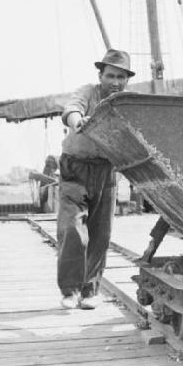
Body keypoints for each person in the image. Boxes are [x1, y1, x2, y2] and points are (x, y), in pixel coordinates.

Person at [57, 49, 135, 310]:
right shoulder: (88, 93)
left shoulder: (128, 104)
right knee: (72, 229)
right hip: (75, 168)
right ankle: (70, 290)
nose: (115, 81)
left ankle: (90, 291)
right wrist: (77, 122)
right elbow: (72, 109)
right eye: (110, 75)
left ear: (126, 80)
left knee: (100, 234)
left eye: (121, 77)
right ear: (100, 75)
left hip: (105, 171)